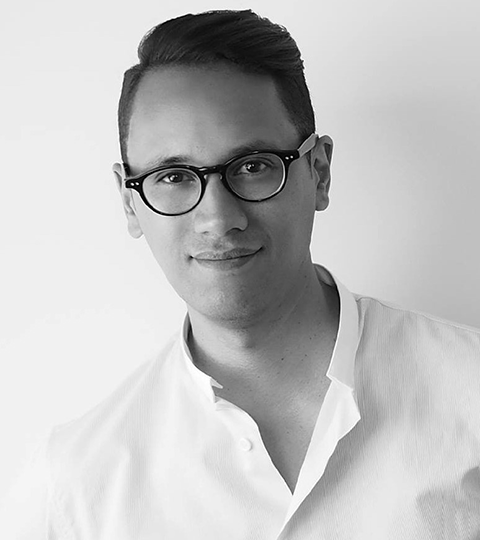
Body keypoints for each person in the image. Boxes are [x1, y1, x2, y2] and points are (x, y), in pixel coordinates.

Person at [1, 9, 479, 540]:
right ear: (129, 202)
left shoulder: (470, 390)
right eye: (174, 176)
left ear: (319, 172)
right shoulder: (73, 487)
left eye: (252, 167)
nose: (218, 218)